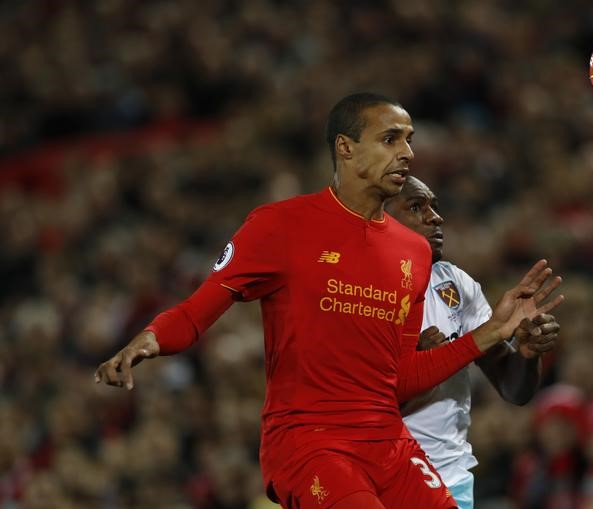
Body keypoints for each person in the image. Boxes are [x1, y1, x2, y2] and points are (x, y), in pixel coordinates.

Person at [94, 92, 558, 509]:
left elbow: (399, 378)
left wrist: (494, 332)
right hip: (309, 443)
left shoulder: (414, 253)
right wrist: (150, 339)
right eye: (391, 139)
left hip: (387, 443)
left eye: (409, 140)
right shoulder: (279, 226)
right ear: (346, 148)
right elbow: (198, 310)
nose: (408, 153)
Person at [384, 176, 564, 509]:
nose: (435, 217)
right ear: (381, 220)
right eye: (415, 207)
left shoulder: (454, 283)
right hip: (379, 476)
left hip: (450, 477)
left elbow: (514, 389)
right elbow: (354, 405)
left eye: (434, 206)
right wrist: (421, 369)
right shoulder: (356, 294)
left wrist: (525, 353)